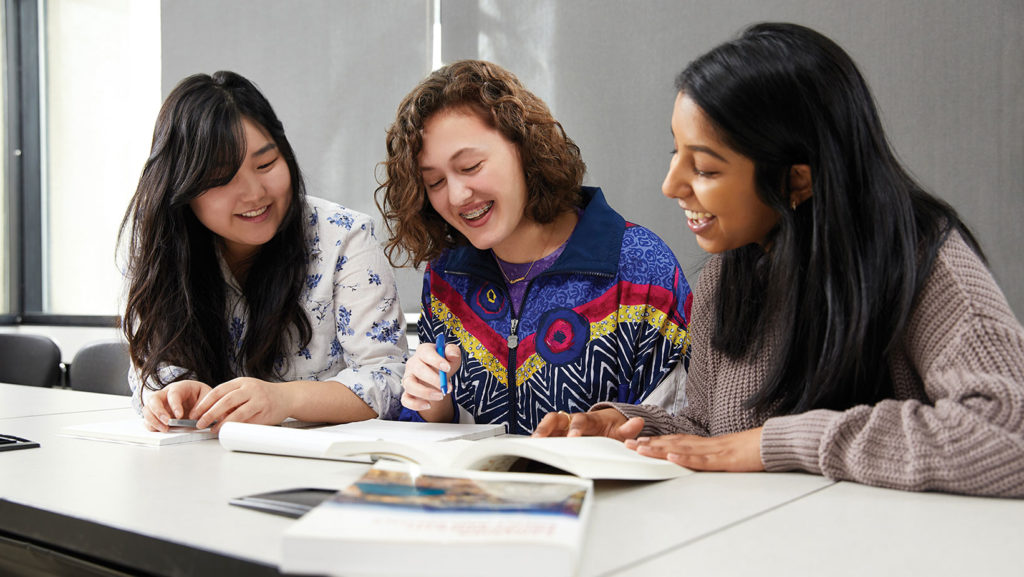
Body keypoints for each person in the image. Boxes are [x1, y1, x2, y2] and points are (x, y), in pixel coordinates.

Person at [534, 23, 1024, 497]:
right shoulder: (727, 271)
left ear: (797, 181)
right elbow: (715, 433)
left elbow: (1009, 436)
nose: (671, 185)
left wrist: (781, 443)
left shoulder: (921, 261)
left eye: (704, 167)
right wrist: (623, 425)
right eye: (676, 152)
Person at [376, 60, 692, 434]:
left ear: (524, 147)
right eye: (435, 182)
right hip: (473, 491)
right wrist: (433, 403)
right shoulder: (447, 274)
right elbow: (442, 428)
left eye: (471, 166)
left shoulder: (642, 269)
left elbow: (684, 426)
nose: (458, 196)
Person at [119, 71, 408, 433]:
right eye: (222, 179)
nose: (255, 193)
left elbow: (390, 382)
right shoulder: (164, 250)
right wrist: (176, 395)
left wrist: (285, 399)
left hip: (324, 468)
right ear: (182, 187)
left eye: (266, 164)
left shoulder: (345, 239)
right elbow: (152, 374)